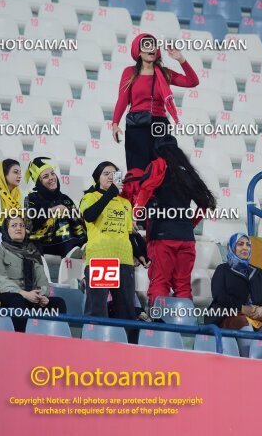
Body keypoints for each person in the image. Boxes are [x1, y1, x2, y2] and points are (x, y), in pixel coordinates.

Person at [134, 135, 216, 305]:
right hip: (186, 238)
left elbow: (146, 189)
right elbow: (205, 203)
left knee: (159, 283)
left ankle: (160, 326)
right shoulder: (187, 171)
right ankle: (183, 327)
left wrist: (135, 214)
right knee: (183, 287)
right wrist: (189, 225)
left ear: (158, 151)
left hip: (162, 236)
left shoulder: (158, 164)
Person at [112, 32, 199, 170]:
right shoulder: (129, 72)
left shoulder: (165, 73)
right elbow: (122, 99)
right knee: (138, 171)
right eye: (147, 45)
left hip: (159, 125)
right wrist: (115, 123)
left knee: (162, 171)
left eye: (153, 45)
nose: (151, 48)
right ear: (138, 51)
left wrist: (180, 59)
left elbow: (192, 81)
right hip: (137, 126)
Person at [79, 161, 149, 322]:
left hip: (124, 259)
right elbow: (89, 215)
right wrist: (110, 193)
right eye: (106, 173)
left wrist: (139, 253)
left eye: (114, 174)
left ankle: (127, 345)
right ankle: (94, 345)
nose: (110, 177)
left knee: (126, 311)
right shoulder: (90, 197)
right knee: (97, 310)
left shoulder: (125, 203)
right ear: (98, 178)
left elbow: (129, 233)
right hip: (102, 258)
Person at [0, 215, 66, 332]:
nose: (18, 228)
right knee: (17, 301)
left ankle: (54, 343)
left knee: (58, 303)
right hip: (8, 295)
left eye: (21, 225)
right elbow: (0, 280)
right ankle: (21, 341)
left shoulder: (33, 252)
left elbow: (42, 280)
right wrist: (24, 293)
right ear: (6, 230)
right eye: (14, 226)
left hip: (31, 297)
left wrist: (42, 296)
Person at [205, 233, 262, 332]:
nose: (245, 248)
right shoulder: (223, 269)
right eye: (240, 244)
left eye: (248, 245)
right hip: (230, 314)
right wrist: (242, 308)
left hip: (257, 316)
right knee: (243, 322)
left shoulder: (258, 272)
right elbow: (219, 296)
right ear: (233, 247)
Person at [24, 157, 87, 258]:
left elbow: (79, 220)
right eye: (45, 176)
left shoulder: (65, 198)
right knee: (60, 216)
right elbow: (29, 224)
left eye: (53, 174)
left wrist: (68, 212)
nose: (51, 178)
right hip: (44, 242)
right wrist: (52, 211)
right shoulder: (32, 198)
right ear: (39, 183)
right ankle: (71, 250)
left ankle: (81, 247)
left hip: (68, 238)